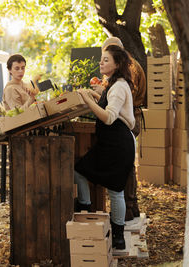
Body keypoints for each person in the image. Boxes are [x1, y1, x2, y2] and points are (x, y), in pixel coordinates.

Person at [75, 45, 136, 250]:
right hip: (110, 143)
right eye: (101, 59)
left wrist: (86, 99)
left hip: (118, 144)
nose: (101, 63)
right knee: (80, 171)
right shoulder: (113, 84)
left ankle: (118, 237)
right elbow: (109, 106)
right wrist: (94, 97)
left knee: (115, 190)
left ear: (117, 64)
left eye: (106, 60)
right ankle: (84, 210)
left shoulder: (118, 86)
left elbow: (109, 117)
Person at [91, 37, 146, 221]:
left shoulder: (130, 69)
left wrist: (99, 95)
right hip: (124, 122)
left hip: (128, 122)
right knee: (123, 170)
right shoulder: (121, 72)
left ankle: (129, 209)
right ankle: (129, 209)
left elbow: (119, 101)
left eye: (107, 57)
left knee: (125, 169)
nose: (102, 61)